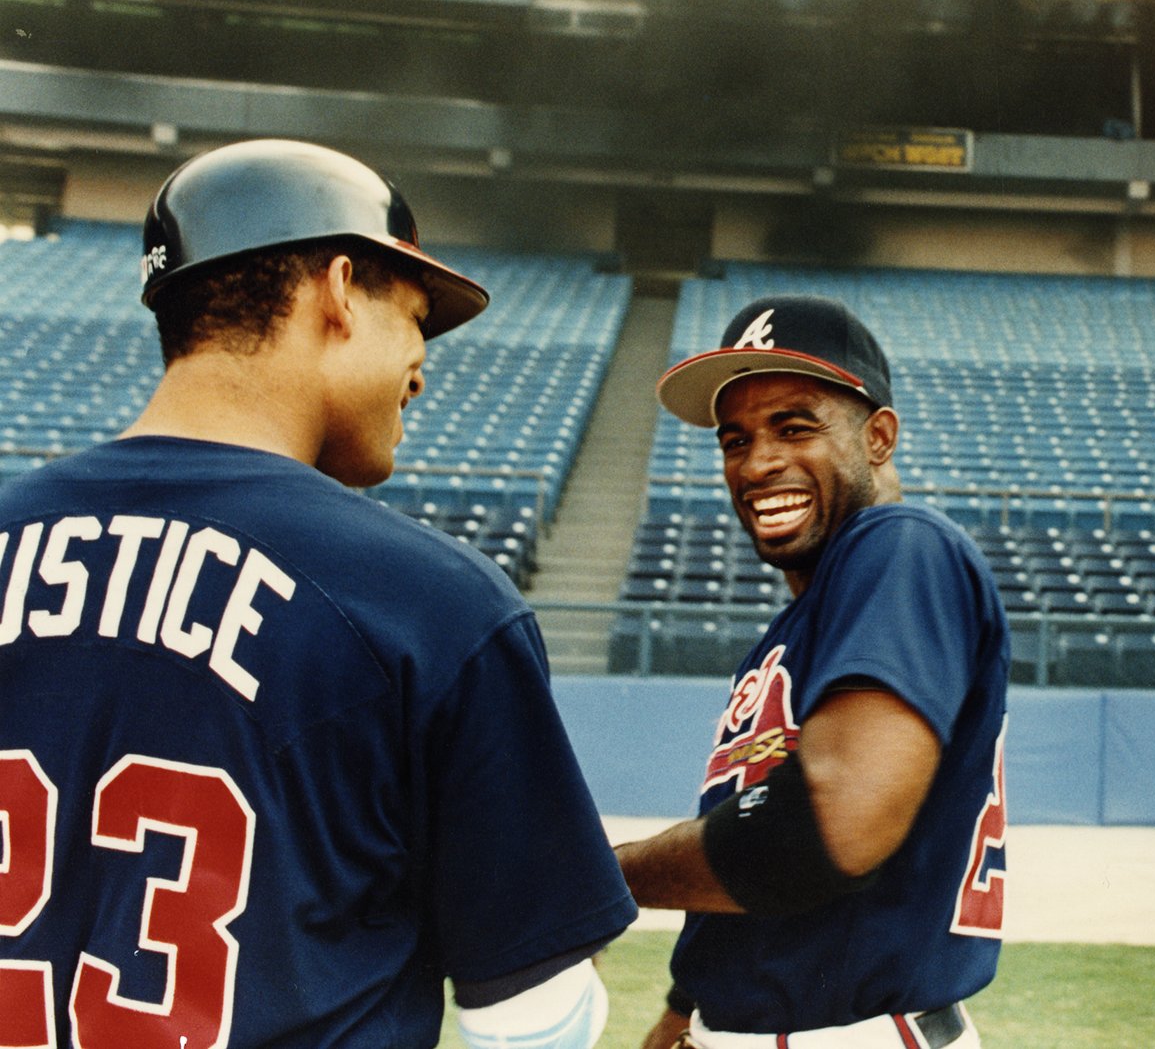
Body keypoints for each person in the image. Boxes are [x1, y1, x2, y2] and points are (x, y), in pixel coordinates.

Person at [0, 140, 636, 1047]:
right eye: (416, 318)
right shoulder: (430, 602)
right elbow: (537, 1016)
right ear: (339, 289)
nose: (423, 363)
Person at [616, 295, 1011, 1049]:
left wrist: (603, 881)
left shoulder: (903, 546)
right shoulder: (796, 627)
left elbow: (827, 826)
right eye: (735, 440)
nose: (758, 462)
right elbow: (751, 838)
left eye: (795, 427)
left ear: (879, 438)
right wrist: (684, 1006)